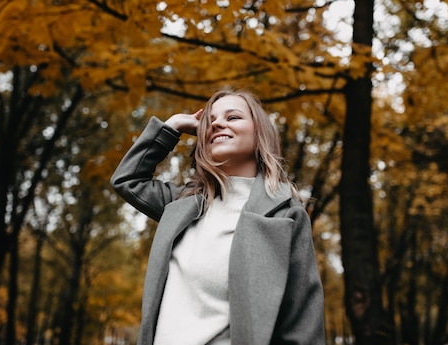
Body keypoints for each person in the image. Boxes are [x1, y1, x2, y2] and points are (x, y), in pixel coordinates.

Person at [110, 87, 325, 345]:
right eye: (210, 120)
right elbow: (128, 180)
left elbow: (302, 325)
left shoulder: (286, 215)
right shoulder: (183, 204)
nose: (218, 123)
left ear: (260, 133)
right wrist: (172, 126)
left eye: (233, 117)